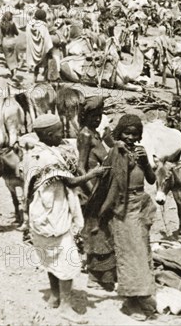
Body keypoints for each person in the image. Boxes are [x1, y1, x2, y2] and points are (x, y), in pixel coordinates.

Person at [22, 114, 108, 323]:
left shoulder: (33, 153)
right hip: (52, 214)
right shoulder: (49, 158)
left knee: (50, 258)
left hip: (38, 212)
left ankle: (54, 296)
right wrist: (94, 173)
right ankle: (66, 307)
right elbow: (71, 182)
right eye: (60, 132)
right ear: (50, 134)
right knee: (66, 260)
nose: (64, 135)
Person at [86, 114, 158, 320]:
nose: (130, 137)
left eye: (135, 134)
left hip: (140, 206)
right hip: (122, 208)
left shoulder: (140, 153)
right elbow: (109, 182)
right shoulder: (116, 153)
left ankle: (141, 293)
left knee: (142, 252)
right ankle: (130, 300)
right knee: (129, 254)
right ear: (119, 133)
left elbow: (152, 181)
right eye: (127, 133)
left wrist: (144, 163)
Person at [77, 96, 116, 292]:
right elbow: (81, 167)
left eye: (99, 116)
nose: (97, 120)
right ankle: (94, 277)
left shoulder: (96, 134)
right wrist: (93, 193)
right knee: (96, 232)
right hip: (90, 192)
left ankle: (104, 276)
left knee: (102, 233)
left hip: (99, 189)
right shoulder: (85, 135)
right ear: (85, 116)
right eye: (93, 116)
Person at [26, 9, 54, 81]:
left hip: (32, 49)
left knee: (36, 64)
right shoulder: (43, 26)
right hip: (42, 49)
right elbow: (47, 39)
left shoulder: (30, 24)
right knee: (47, 63)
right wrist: (49, 48)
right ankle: (45, 78)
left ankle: (34, 78)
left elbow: (28, 35)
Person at [0, 11, 20, 80]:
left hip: (5, 41)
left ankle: (12, 73)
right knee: (14, 57)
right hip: (12, 41)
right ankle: (14, 74)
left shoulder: (1, 24)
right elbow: (17, 33)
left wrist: (0, 43)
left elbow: (0, 35)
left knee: (8, 58)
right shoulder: (12, 23)